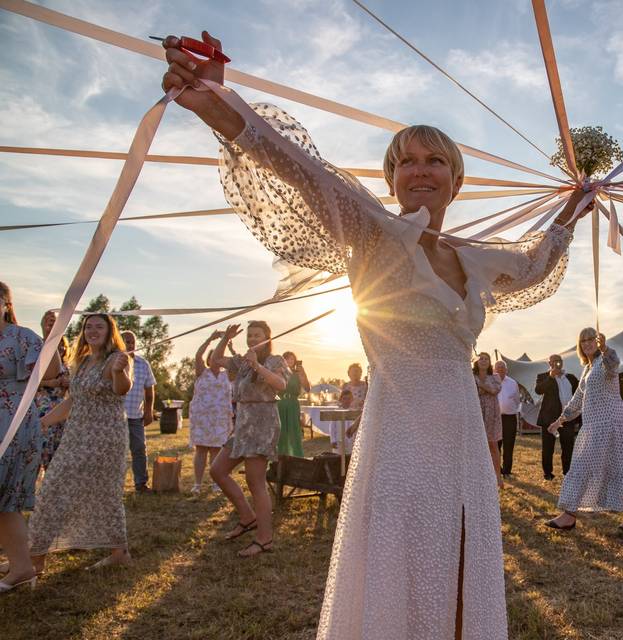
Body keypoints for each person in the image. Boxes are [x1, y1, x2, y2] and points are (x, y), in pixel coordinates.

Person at [161, 30, 589, 638]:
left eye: (435, 159)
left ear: (455, 179)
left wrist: (575, 205)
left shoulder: (474, 259)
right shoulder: (374, 234)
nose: (421, 169)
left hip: (464, 436)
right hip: (400, 435)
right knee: (404, 560)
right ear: (391, 178)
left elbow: (536, 260)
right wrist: (214, 101)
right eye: (407, 160)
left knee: (464, 554)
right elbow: (299, 169)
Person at [29, 313, 133, 572]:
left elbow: (123, 389)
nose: (93, 330)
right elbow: (73, 400)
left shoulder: (116, 359)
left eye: (100, 326)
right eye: (88, 326)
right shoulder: (83, 361)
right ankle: (35, 555)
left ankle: (119, 552)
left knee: (104, 493)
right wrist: (43, 422)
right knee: (52, 488)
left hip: (105, 439)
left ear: (110, 332)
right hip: (76, 436)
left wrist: (120, 371)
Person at [545, 329, 623, 531]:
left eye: (591, 339)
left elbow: (614, 364)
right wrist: (560, 420)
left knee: (581, 464)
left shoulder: (606, 361)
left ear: (598, 340)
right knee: (616, 465)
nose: (587, 343)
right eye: (583, 340)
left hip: (609, 423)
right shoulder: (587, 368)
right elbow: (577, 399)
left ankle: (569, 515)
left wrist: (606, 349)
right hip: (593, 425)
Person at [208, 321, 289, 558]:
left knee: (256, 483)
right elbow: (214, 361)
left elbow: (281, 385)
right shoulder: (242, 362)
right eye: (250, 335)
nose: (253, 339)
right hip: (243, 424)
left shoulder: (275, 360)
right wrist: (225, 339)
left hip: (262, 423)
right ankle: (247, 516)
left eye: (257, 335)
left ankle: (265, 539)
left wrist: (257, 365)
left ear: (267, 337)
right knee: (217, 471)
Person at [0, 282, 61, 592]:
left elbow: (52, 369)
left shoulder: (22, 337)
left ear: (6, 304)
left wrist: (52, 337)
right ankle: (21, 564)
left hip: (13, 424)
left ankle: (22, 567)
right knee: (3, 501)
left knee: (4, 498)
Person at [189, 330, 233, 495]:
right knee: (201, 450)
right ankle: (198, 484)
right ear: (209, 359)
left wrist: (230, 346)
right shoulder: (202, 372)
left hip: (220, 418)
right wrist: (210, 339)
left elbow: (241, 363)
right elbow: (198, 355)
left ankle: (216, 484)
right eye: (213, 355)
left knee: (216, 450)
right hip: (202, 418)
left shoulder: (227, 375)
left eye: (218, 356)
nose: (216, 359)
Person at [120, 331, 156, 493]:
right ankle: (114, 486)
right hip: (116, 416)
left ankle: (141, 484)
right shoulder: (114, 362)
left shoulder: (143, 364)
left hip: (135, 415)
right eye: (126, 341)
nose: (130, 344)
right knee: (116, 452)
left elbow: (149, 391)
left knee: (139, 449)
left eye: (132, 341)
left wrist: (148, 411)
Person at [536, 354, 581, 480]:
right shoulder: (543, 376)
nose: (556, 363)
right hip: (549, 419)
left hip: (567, 419)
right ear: (549, 363)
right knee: (547, 448)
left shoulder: (570, 378)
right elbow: (538, 390)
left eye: (559, 361)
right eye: (553, 361)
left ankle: (567, 473)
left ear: (562, 362)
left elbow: (579, 393)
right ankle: (548, 473)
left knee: (568, 447)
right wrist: (551, 377)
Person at [36, 310, 70, 473]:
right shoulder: (39, 350)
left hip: (61, 409)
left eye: (54, 320)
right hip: (42, 406)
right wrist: (52, 382)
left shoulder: (66, 360)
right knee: (40, 445)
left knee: (58, 449)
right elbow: (29, 382)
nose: (51, 322)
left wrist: (68, 383)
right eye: (48, 320)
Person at [474, 352, 502, 488]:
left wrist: (481, 385)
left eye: (486, 359)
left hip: (492, 415)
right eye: (481, 359)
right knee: (477, 446)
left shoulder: (495, 376)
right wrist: (485, 388)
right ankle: (479, 476)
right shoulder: (471, 377)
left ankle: (498, 476)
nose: (484, 361)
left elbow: (495, 390)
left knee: (493, 445)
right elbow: (475, 392)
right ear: (476, 362)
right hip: (477, 414)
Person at [278, 351, 310, 457]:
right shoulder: (279, 372)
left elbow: (307, 388)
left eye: (292, 359)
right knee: (280, 431)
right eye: (287, 359)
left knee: (293, 430)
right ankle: (280, 457)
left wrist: (303, 374)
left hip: (292, 404)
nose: (289, 361)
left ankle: (296, 456)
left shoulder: (297, 374)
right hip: (280, 403)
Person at [494, 360, 521, 477]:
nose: (500, 369)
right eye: (498, 367)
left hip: (510, 418)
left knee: (509, 445)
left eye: (502, 367)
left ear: (506, 369)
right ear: (494, 369)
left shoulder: (512, 382)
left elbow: (517, 400)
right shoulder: (491, 381)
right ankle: (497, 470)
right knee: (496, 445)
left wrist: (509, 408)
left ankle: (507, 471)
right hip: (495, 419)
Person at [340, 363, 367, 444]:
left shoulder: (366, 385)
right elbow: (342, 401)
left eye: (357, 371)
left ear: (361, 373)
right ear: (349, 374)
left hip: (361, 416)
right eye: (353, 372)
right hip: (348, 416)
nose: (355, 374)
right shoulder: (345, 386)